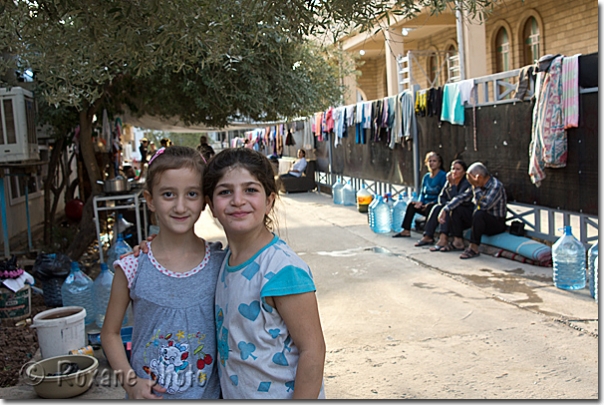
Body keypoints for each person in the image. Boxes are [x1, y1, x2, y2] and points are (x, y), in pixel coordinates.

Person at [101, 146, 225, 399]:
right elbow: (110, 333)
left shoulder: (221, 263)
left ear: (204, 201)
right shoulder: (132, 266)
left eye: (191, 194)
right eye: (168, 194)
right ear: (150, 200)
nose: (180, 206)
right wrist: (130, 382)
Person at [203, 148, 326, 399]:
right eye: (225, 192)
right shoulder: (220, 260)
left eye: (250, 190)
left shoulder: (283, 269)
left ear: (269, 201)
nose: (238, 200)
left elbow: (313, 350)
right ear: (210, 205)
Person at [410, 159, 474, 251]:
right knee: (437, 207)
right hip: (449, 209)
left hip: (463, 214)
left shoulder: (466, 184)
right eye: (453, 169)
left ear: (464, 172)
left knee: (448, 209)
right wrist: (446, 205)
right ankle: (428, 235)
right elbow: (441, 197)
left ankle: (443, 238)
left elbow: (457, 199)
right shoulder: (449, 181)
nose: (454, 172)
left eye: (458, 169)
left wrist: (453, 187)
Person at [454, 162, 508, 259]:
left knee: (479, 214)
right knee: (458, 209)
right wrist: (446, 209)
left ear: (478, 177)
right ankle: (458, 241)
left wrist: (476, 187)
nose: (472, 184)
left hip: (496, 222)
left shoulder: (496, 186)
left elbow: (484, 206)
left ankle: (473, 247)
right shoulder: (477, 184)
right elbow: (463, 197)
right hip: (480, 220)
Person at [392, 151, 446, 238]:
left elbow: (443, 194)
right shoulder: (426, 177)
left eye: (434, 161)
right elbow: (422, 192)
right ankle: (406, 230)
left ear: (439, 163)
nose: (431, 163)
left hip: (436, 204)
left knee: (430, 207)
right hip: (425, 203)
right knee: (411, 205)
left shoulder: (443, 176)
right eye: (430, 161)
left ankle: (428, 234)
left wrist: (429, 204)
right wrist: (420, 202)